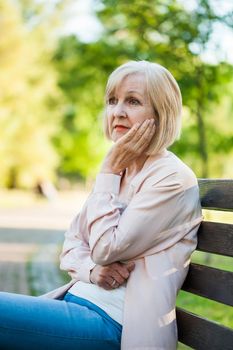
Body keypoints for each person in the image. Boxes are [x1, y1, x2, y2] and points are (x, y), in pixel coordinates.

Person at [0, 60, 202, 349]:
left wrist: (106, 172)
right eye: (112, 101)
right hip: (77, 303)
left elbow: (106, 247)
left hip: (116, 323)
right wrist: (92, 271)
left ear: (161, 113)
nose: (117, 111)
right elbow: (71, 245)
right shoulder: (120, 171)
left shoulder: (171, 178)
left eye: (132, 101)